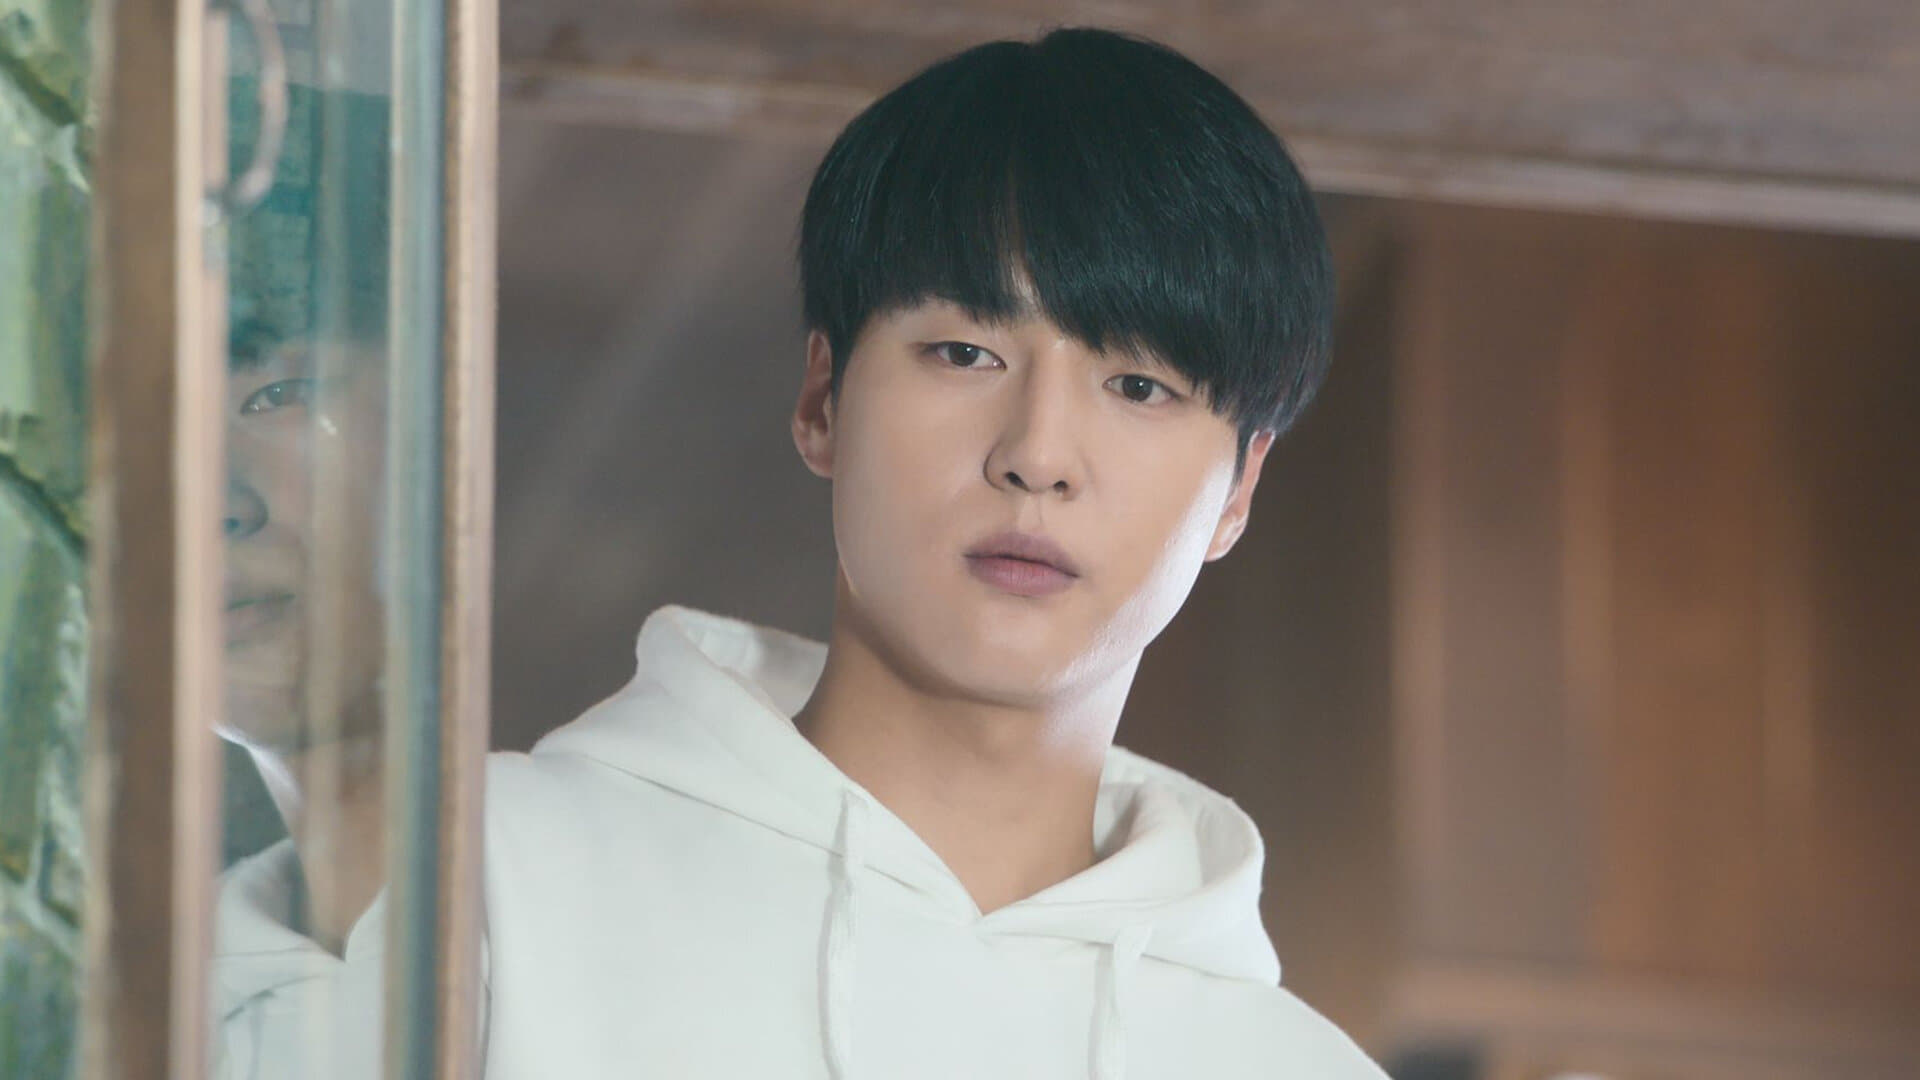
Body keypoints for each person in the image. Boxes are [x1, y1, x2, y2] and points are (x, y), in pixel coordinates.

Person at [221, 26, 1386, 1080]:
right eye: (965, 353)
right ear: (824, 400)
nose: (1036, 454)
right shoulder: (487, 890)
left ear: (1239, 490)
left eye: (1137, 385)